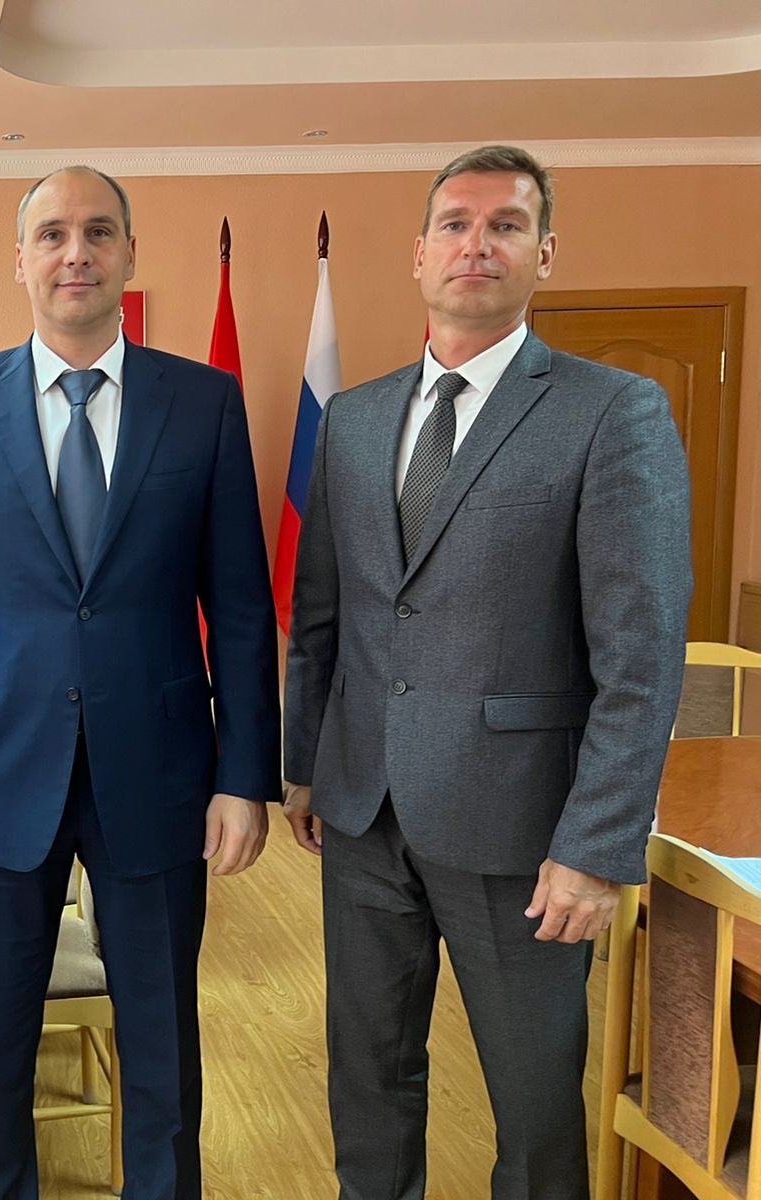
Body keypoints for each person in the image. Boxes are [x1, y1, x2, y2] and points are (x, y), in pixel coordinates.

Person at [282, 144, 693, 1199]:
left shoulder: (613, 412)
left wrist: (596, 846)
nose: (477, 243)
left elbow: (641, 657)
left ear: (543, 254)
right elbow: (323, 615)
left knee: (534, 1105)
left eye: (506, 224)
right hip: (363, 814)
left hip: (522, 832)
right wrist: (305, 766)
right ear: (419, 254)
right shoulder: (354, 419)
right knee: (367, 1079)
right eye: (455, 224)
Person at [0, 166, 281, 1199]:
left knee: (161, 1039)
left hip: (160, 767)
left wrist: (245, 777)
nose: (76, 253)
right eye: (53, 234)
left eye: (99, 232)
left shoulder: (201, 402)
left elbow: (241, 605)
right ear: (19, 260)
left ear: (129, 255)